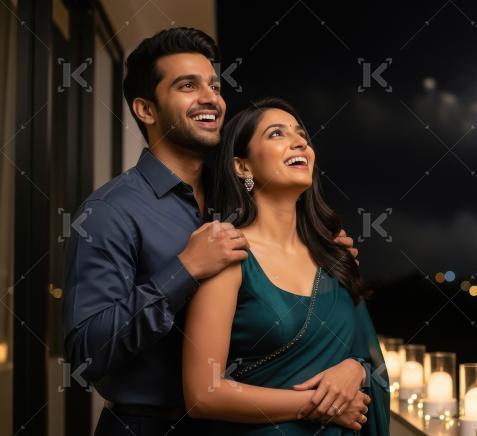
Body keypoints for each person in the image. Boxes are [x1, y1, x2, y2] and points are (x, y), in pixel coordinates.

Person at [62, 28, 358, 436]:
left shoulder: (235, 199)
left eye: (214, 86)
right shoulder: (111, 212)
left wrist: (317, 256)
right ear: (146, 110)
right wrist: (183, 270)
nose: (211, 98)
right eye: (187, 85)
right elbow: (85, 353)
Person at [181, 97, 389, 435]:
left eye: (301, 135)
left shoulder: (334, 256)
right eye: (277, 134)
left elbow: (367, 355)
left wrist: (356, 370)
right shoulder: (228, 255)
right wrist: (319, 406)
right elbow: (203, 394)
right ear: (242, 167)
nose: (299, 142)